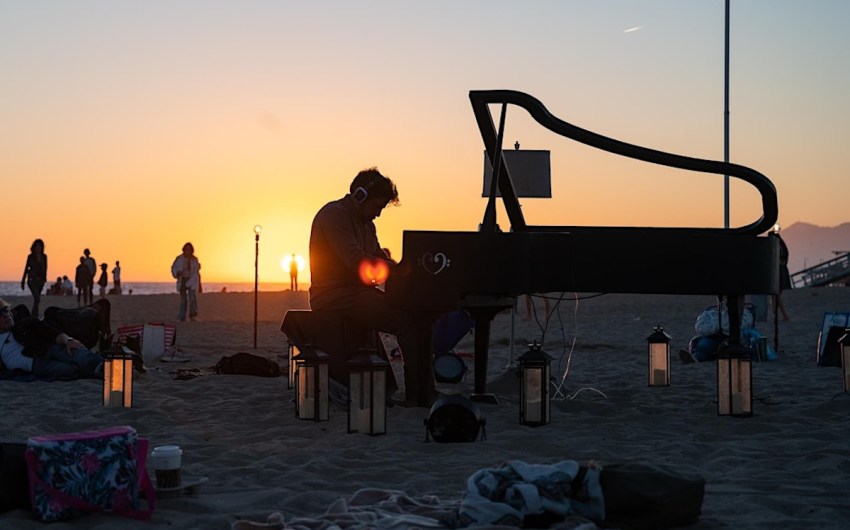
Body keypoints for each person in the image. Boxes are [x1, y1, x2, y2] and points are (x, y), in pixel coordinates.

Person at [309, 167, 434, 406]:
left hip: (356, 293)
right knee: (405, 321)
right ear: (360, 196)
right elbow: (356, 260)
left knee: (418, 315)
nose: (378, 213)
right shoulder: (334, 216)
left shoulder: (367, 224)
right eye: (377, 206)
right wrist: (399, 270)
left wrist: (407, 271)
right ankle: (417, 395)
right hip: (333, 296)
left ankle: (425, 390)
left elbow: (379, 258)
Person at [0, 299, 103, 380]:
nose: (5, 315)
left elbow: (51, 332)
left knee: (74, 352)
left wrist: (68, 340)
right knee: (69, 370)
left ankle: (107, 367)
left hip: (47, 349)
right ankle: (100, 369)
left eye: (6, 310)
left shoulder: (24, 324)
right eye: (0, 314)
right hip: (36, 365)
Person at [171, 242, 201, 321]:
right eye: (186, 249)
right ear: (184, 250)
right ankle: (182, 316)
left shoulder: (194, 260)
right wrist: (177, 273)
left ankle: (192, 315)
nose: (188, 251)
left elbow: (196, 272)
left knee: (192, 298)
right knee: (183, 300)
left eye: (189, 249)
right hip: (182, 280)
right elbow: (174, 268)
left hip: (192, 280)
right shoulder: (179, 259)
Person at [21, 239, 48, 318]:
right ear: (34, 247)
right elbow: (26, 268)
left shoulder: (44, 256)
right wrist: (23, 281)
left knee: (37, 299)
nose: (39, 247)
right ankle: (34, 316)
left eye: (40, 245)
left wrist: (45, 277)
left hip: (40, 280)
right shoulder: (30, 257)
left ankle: (34, 315)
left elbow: (46, 267)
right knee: (37, 298)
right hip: (32, 280)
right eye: (37, 245)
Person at [776, 229, 791, 321]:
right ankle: (778, 315)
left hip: (778, 271)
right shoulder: (782, 247)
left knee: (776, 294)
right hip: (782, 270)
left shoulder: (777, 247)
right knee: (776, 295)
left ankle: (784, 315)